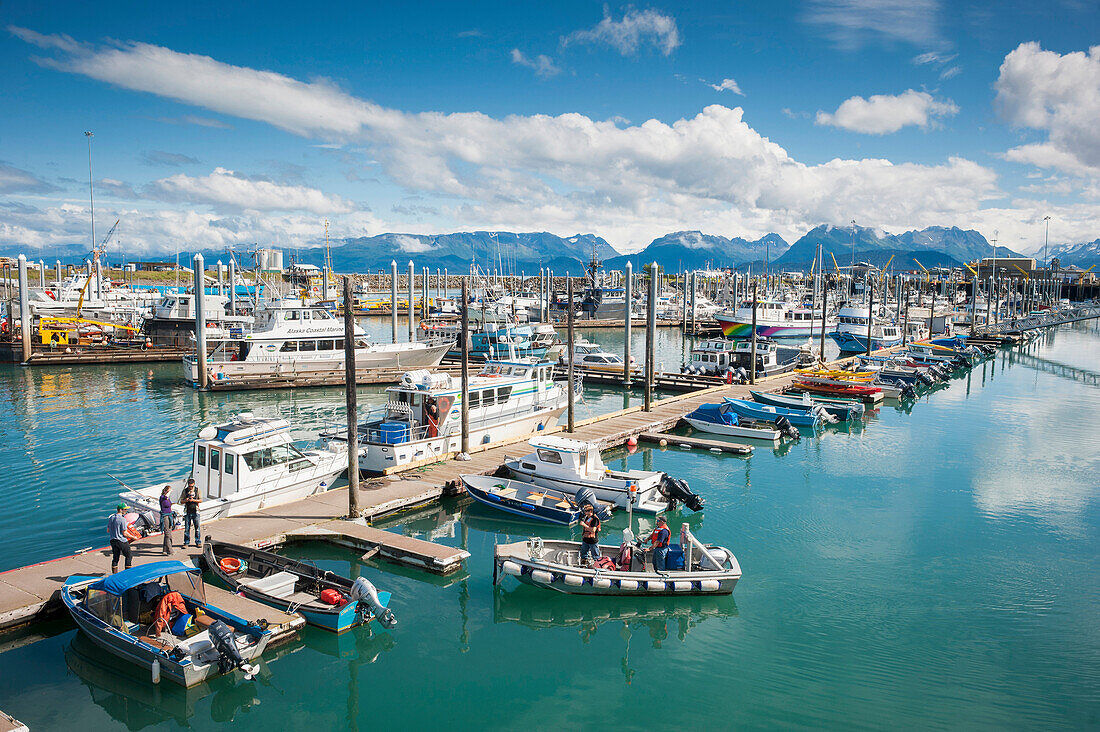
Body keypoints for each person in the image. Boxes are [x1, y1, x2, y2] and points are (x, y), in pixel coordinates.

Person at [108, 504, 132, 574]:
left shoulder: (111, 518)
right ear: (120, 510)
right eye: (125, 509)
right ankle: (128, 574)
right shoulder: (122, 519)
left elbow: (108, 530)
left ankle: (114, 574)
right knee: (128, 556)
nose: (126, 511)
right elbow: (125, 533)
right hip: (121, 541)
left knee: (115, 558)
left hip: (113, 540)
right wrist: (133, 537)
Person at [181, 477, 201, 548]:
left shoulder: (197, 490)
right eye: (189, 486)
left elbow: (200, 500)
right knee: (187, 528)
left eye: (192, 486)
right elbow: (181, 501)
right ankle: (186, 542)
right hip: (187, 511)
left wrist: (193, 500)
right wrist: (186, 500)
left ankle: (198, 541)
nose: (190, 488)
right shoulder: (185, 491)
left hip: (195, 511)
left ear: (194, 485)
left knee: (197, 528)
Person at [159, 486, 174, 556]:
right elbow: (165, 497)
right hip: (165, 517)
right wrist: (169, 491)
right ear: (165, 491)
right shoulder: (162, 498)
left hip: (169, 516)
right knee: (168, 534)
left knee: (168, 533)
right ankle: (170, 551)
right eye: (168, 491)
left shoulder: (167, 498)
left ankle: (164, 550)